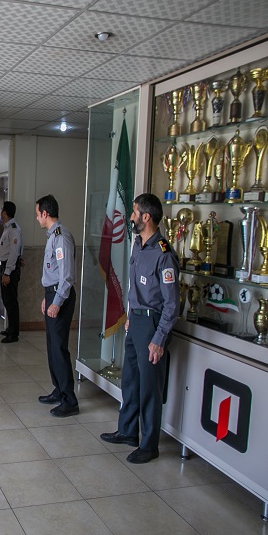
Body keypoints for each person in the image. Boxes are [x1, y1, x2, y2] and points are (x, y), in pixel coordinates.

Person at [100, 193, 180, 464]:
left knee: (149, 388)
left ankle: (149, 445)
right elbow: (136, 287)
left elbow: (171, 305)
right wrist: (131, 315)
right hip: (135, 321)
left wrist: (159, 339)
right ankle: (127, 431)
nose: (131, 216)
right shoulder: (138, 244)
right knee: (131, 381)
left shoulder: (163, 254)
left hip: (153, 325)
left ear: (146, 217)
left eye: (134, 212)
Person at [35, 195, 79, 418]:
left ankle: (69, 400)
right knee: (52, 346)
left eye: (37, 214)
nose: (37, 218)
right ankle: (59, 389)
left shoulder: (61, 237)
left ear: (45, 213)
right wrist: (48, 297)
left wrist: (57, 301)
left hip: (61, 296)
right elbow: (53, 273)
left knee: (59, 348)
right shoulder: (53, 236)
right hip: (53, 293)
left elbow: (67, 276)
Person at [0, 201, 24, 343]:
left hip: (10, 269)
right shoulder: (9, 228)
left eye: (2, 210)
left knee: (11, 301)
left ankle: (13, 333)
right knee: (7, 300)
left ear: (5, 212)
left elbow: (14, 252)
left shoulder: (13, 229)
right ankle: (10, 328)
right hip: (7, 266)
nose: (1, 213)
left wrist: (7, 273)